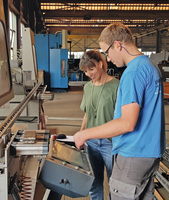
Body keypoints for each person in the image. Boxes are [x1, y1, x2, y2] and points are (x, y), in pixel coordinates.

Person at [73, 22, 166, 200]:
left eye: (107, 52)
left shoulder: (133, 72)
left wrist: (84, 134)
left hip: (133, 154)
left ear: (117, 44)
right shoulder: (149, 65)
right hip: (150, 152)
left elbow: (127, 122)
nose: (108, 59)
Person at [79, 50, 119, 200]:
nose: (89, 74)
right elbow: (87, 114)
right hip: (91, 142)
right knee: (94, 182)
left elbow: (122, 118)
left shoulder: (116, 86)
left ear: (101, 64)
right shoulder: (87, 87)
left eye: (91, 69)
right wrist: (81, 134)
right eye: (85, 71)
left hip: (110, 142)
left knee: (114, 181)